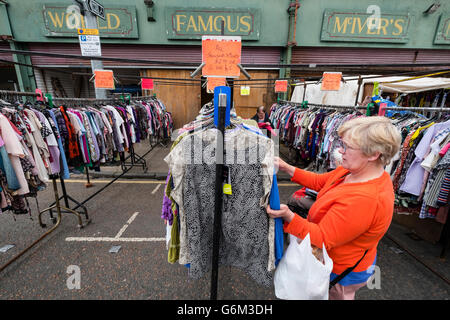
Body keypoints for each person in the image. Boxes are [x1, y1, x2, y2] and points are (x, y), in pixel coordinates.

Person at [267, 116, 402, 300]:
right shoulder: (355, 171)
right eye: (342, 143)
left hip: (340, 270)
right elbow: (321, 181)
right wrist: (287, 167)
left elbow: (323, 238)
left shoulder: (366, 199)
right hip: (335, 258)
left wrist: (289, 216)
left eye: (347, 147)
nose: (340, 150)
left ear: (373, 154)